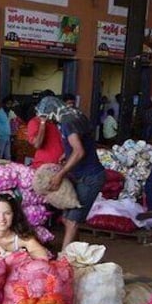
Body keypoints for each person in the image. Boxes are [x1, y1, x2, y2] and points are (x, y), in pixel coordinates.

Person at [46, 98, 107, 251]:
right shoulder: (77, 116)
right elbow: (80, 144)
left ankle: (64, 259)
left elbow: (79, 151)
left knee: (71, 221)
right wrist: (66, 154)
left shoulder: (67, 123)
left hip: (90, 177)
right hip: (83, 176)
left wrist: (61, 174)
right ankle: (76, 252)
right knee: (68, 219)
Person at [27, 96, 64, 169]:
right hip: (43, 166)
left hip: (60, 166)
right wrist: (43, 122)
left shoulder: (56, 123)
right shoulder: (35, 122)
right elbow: (37, 144)